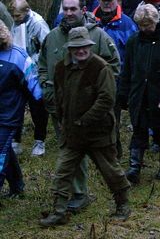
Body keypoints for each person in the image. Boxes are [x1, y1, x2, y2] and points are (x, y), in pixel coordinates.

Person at [39, 27, 130, 227]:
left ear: (90, 46)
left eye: (84, 47)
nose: (81, 51)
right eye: (76, 48)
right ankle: (59, 212)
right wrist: (62, 118)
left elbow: (107, 99)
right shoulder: (61, 68)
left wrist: (85, 120)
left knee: (110, 171)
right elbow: (59, 95)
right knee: (63, 172)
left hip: (98, 132)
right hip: (72, 133)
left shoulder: (101, 68)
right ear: (70, 49)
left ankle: (123, 205)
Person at [118, 4, 160, 183]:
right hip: (139, 94)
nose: (144, 29)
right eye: (141, 25)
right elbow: (127, 70)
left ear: (155, 21)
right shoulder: (134, 41)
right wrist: (123, 93)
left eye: (147, 25)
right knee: (139, 130)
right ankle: (134, 167)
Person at [93, 0, 138, 158]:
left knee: (112, 118)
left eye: (110, 0)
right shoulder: (90, 21)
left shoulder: (127, 24)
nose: (107, 4)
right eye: (104, 0)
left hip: (116, 80)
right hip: (93, 80)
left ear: (116, 1)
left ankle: (114, 151)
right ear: (99, 1)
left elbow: (133, 53)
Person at [0, 20, 42, 198]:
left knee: (0, 153)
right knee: (4, 149)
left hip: (8, 116)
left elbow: (35, 86)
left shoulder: (17, 56)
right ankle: (17, 186)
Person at [8, 0, 50, 156]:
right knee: (16, 104)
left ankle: (40, 141)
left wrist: (32, 63)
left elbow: (46, 47)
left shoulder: (38, 23)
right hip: (18, 68)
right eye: (13, 16)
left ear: (27, 11)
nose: (15, 18)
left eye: (18, 15)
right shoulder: (16, 22)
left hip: (35, 70)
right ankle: (15, 140)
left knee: (37, 106)